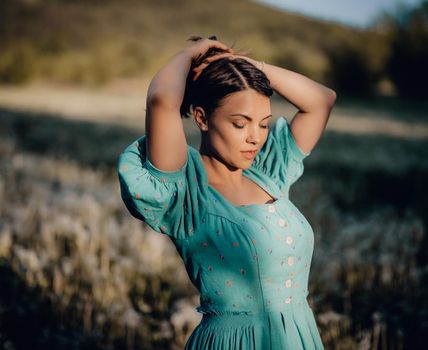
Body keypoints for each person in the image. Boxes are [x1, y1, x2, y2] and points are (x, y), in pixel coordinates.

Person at [118, 35, 336, 349]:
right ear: (202, 118)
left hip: (299, 337)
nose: (255, 138)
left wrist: (246, 67)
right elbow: (162, 101)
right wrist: (192, 52)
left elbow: (321, 100)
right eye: (239, 123)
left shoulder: (269, 173)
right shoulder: (188, 193)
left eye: (263, 124)